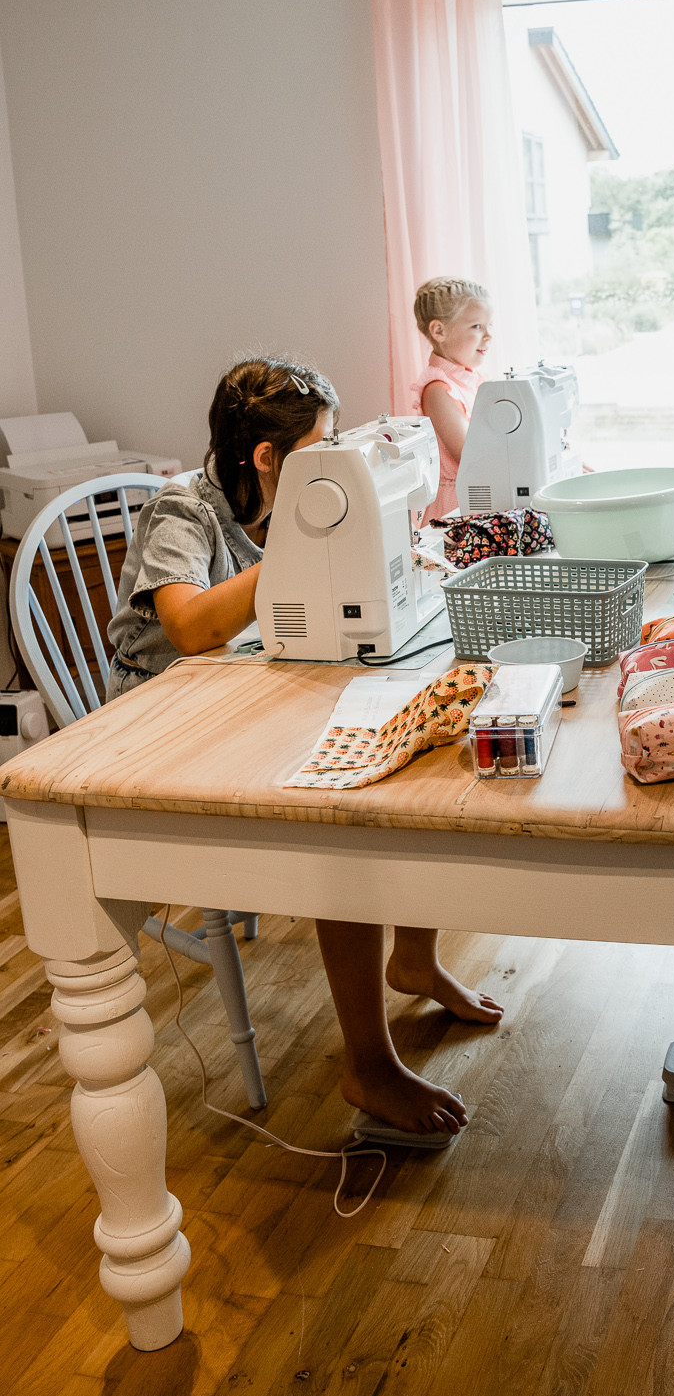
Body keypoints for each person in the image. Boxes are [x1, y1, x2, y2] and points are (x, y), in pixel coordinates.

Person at [107, 356, 501, 1139]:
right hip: (160, 721)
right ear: (265, 459)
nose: (329, 462)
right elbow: (188, 630)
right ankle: (368, 1064)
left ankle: (414, 956)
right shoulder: (183, 509)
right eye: (319, 448)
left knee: (415, 734)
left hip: (253, 683)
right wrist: (307, 538)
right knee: (340, 817)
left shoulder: (288, 495)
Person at [411, 277, 493, 521]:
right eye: (477, 327)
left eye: (490, 325)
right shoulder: (439, 389)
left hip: (478, 500)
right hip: (456, 511)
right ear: (439, 331)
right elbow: (472, 456)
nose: (488, 336)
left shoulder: (474, 379)